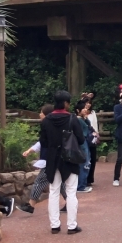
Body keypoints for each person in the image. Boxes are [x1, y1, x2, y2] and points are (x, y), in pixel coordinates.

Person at [39, 91, 83, 234]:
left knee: (54, 191)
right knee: (71, 192)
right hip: (69, 159)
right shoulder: (71, 119)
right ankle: (71, 226)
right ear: (65, 103)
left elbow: (43, 142)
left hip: (52, 159)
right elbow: (81, 139)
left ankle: (55, 225)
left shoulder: (46, 120)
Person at [19, 104, 66, 214]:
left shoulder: (49, 127)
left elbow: (42, 143)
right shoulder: (51, 126)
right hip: (55, 160)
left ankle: (31, 205)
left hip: (50, 161)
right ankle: (70, 202)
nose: (39, 114)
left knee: (39, 182)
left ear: (46, 115)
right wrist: (30, 150)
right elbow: (41, 143)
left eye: (41, 112)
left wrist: (30, 151)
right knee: (61, 183)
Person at [75, 99, 94, 193]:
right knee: (84, 163)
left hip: (85, 141)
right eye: (83, 108)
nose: (85, 110)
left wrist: (86, 118)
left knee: (86, 162)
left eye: (86, 108)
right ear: (78, 110)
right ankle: (81, 186)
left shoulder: (83, 119)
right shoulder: (77, 119)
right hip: (82, 142)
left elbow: (89, 126)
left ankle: (82, 184)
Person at [82, 94, 99, 187]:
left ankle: (90, 179)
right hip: (84, 138)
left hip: (92, 138)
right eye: (86, 102)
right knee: (85, 159)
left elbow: (95, 124)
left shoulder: (93, 113)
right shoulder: (80, 114)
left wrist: (97, 135)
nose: (88, 104)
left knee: (92, 159)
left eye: (89, 103)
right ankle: (83, 178)